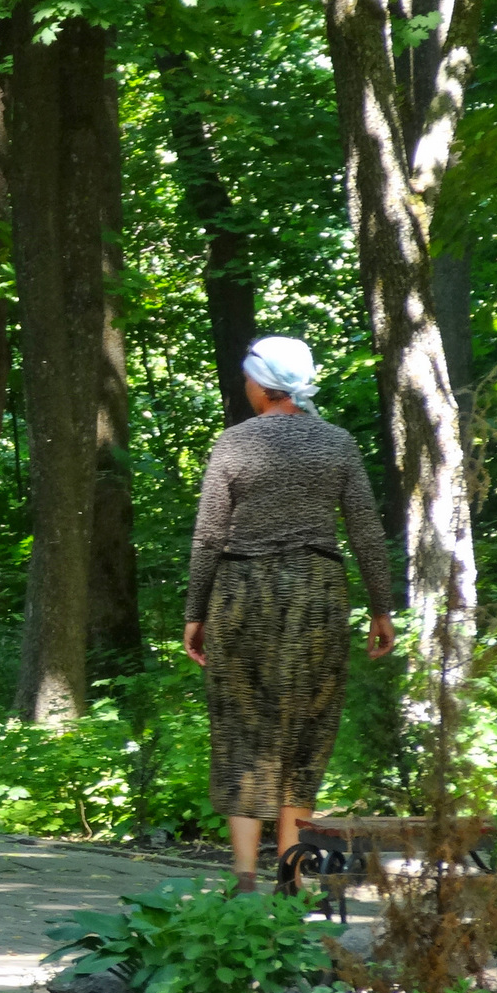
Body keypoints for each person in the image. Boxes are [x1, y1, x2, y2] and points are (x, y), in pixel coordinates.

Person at [182, 335, 396, 893]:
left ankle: (246, 876)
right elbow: (366, 532)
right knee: (307, 730)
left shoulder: (233, 444)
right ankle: (290, 875)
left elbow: (209, 537)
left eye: (247, 378)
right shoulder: (337, 444)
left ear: (261, 383)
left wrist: (195, 611)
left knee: (239, 730)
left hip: (240, 596)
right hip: (316, 596)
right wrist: (380, 608)